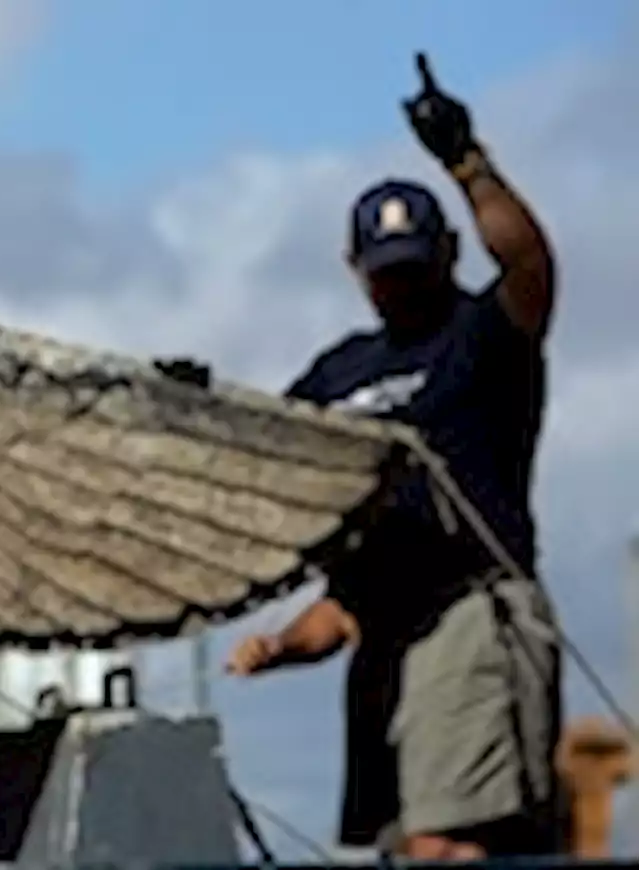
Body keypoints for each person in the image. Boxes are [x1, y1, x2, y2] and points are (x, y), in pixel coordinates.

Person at [226, 54, 562, 860]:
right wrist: (281, 646)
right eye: (386, 277)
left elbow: (530, 267)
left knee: (449, 843)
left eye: (416, 270)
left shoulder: (481, 339)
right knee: (401, 845)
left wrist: (468, 164)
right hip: (383, 637)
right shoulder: (338, 374)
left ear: (448, 253)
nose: (402, 289)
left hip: (467, 613)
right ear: (355, 273)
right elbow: (340, 598)